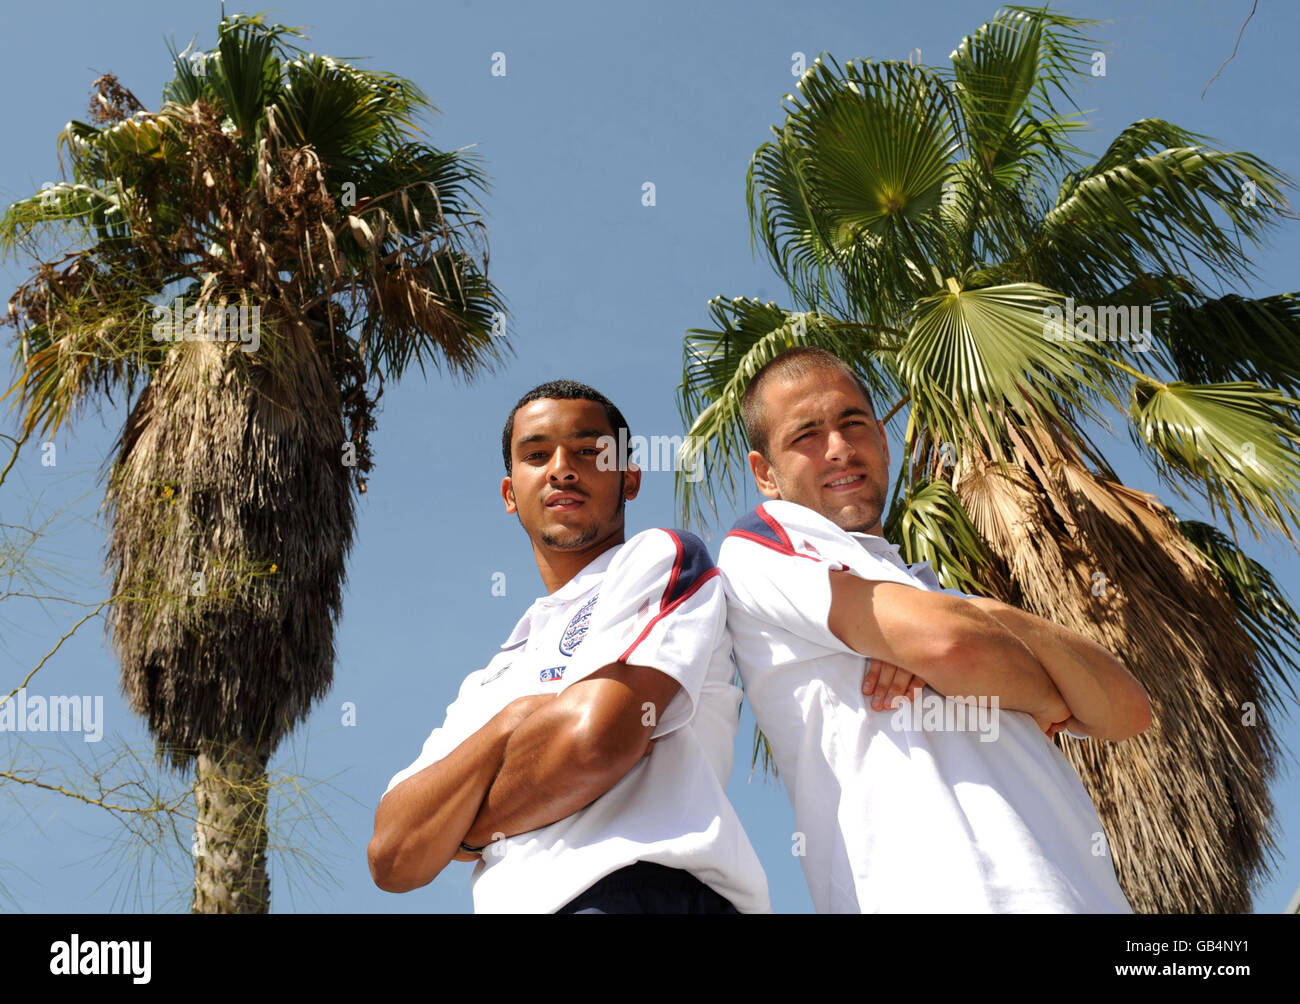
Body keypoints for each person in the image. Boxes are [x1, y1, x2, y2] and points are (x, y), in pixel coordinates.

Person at [717, 346, 1151, 913]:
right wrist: (1043, 687)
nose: (840, 449)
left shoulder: (944, 595)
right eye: (807, 435)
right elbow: (951, 645)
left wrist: (997, 618)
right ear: (765, 474)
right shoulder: (762, 545)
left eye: (854, 424)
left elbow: (1127, 711)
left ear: (882, 438)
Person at [368, 380, 769, 914]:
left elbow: (594, 740)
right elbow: (394, 854)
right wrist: (512, 722)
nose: (561, 468)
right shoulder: (491, 679)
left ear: (629, 478)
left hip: (644, 893)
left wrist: (465, 834)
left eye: (588, 451)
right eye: (537, 455)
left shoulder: (659, 559)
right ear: (510, 493)